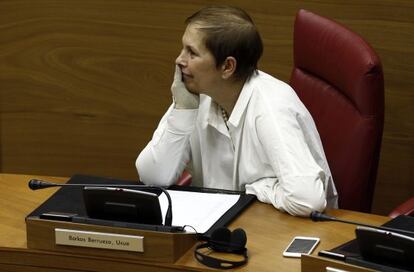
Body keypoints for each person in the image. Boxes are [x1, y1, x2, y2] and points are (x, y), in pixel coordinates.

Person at [136, 6, 338, 216]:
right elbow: (152, 177)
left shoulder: (271, 108)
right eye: (182, 49)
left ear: (227, 67)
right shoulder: (197, 96)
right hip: (225, 226)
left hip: (281, 230)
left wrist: (254, 190)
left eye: (192, 53)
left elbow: (307, 200)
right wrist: (183, 111)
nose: (179, 60)